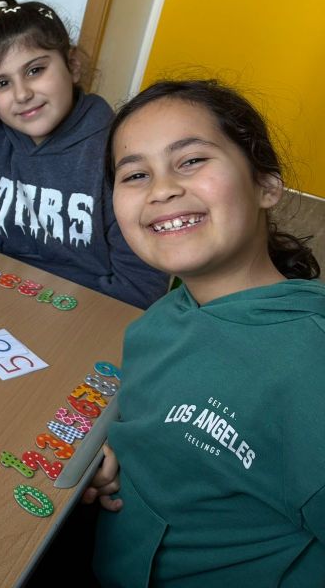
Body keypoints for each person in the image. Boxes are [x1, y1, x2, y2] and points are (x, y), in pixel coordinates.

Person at [93, 79, 323, 584]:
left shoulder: (312, 367)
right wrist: (119, 458)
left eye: (192, 160)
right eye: (136, 174)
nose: (161, 189)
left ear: (266, 185)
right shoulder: (158, 319)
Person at [0, 0, 166, 308]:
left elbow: (140, 289)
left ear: (73, 66)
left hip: (85, 309)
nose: (22, 94)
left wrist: (42, 306)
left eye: (35, 70)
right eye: (1, 83)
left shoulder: (120, 153)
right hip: (3, 292)